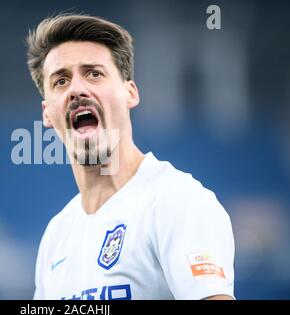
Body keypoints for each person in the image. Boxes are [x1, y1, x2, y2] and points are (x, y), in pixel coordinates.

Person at [26, 13, 235, 300]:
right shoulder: (56, 236)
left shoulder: (176, 201)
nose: (76, 89)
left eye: (94, 73)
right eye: (60, 81)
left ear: (130, 93)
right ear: (47, 113)